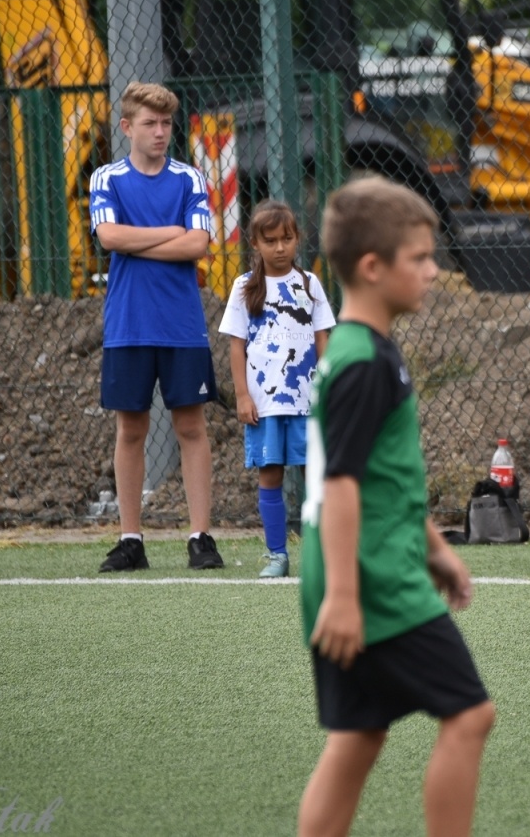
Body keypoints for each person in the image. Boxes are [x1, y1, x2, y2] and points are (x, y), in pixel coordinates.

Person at [299, 178, 494, 837]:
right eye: (420, 258)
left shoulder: (367, 349)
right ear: (372, 268)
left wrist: (435, 548)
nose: (434, 271)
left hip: (368, 566)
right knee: (470, 715)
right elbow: (342, 487)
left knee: (358, 737)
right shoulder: (362, 362)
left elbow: (382, 477)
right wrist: (347, 596)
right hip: (371, 577)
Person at [88, 82, 221, 573]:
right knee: (131, 428)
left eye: (166, 123)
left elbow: (198, 246)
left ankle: (200, 536)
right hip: (128, 323)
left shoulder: (190, 179)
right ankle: (131, 539)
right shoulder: (107, 178)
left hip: (182, 323)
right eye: (150, 123)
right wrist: (171, 233)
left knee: (191, 425)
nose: (161, 132)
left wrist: (142, 240)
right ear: (127, 127)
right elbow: (108, 236)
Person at [218, 199, 335, 578]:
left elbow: (322, 339)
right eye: (270, 240)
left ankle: (322, 556)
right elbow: (237, 345)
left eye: (287, 238)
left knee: (315, 475)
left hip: (307, 402)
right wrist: (242, 395)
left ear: (298, 238)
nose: (280, 247)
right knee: (270, 476)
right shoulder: (244, 288)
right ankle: (277, 556)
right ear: (256, 243)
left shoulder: (309, 283)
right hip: (265, 405)